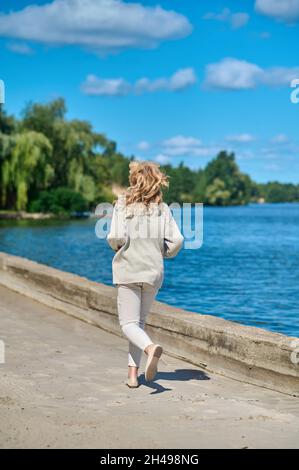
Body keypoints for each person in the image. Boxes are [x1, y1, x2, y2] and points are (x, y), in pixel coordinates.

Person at [107, 160, 184, 388]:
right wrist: (164, 253)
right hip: (153, 272)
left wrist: (119, 247)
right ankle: (133, 376)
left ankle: (150, 349)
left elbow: (114, 237)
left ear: (134, 180)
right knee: (138, 323)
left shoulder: (123, 204)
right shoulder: (163, 208)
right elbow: (178, 240)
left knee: (128, 325)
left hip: (129, 269)